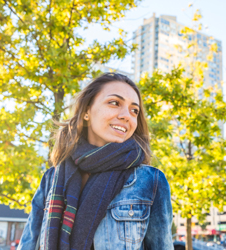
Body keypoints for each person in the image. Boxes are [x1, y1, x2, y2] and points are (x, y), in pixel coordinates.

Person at [18, 73, 173, 250]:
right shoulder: (52, 179)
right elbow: (29, 244)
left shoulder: (150, 181)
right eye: (114, 103)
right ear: (86, 112)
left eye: (134, 110)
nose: (126, 115)